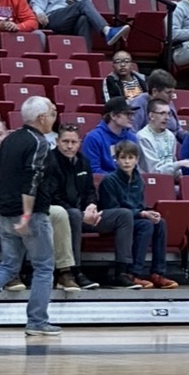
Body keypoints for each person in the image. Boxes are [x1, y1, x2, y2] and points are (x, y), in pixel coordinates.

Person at [0, 96, 61, 336]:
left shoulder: (9, 140)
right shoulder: (39, 143)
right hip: (31, 214)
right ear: (41, 118)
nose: (54, 117)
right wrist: (26, 214)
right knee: (44, 266)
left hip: (5, 212)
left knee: (8, 265)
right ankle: (37, 322)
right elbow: (33, 179)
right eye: (52, 113)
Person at [45, 123, 134, 290]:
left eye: (73, 142)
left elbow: (90, 191)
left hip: (85, 214)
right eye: (65, 141)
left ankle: (121, 272)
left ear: (79, 143)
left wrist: (92, 206)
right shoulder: (50, 161)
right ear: (57, 141)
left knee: (124, 215)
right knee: (73, 215)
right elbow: (53, 197)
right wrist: (81, 213)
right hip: (63, 217)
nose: (69, 146)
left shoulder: (83, 161)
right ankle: (74, 271)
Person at [98, 140, 179, 289]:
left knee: (160, 223)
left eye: (130, 158)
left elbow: (140, 205)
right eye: (123, 158)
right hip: (117, 221)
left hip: (135, 217)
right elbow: (112, 209)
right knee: (146, 225)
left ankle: (158, 273)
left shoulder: (139, 180)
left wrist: (148, 213)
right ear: (116, 160)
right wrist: (142, 214)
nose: (127, 162)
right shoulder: (109, 180)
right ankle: (133, 273)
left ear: (137, 160)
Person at [82, 96, 141, 175]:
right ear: (113, 115)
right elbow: (93, 171)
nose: (132, 118)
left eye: (132, 114)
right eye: (127, 114)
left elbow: (134, 168)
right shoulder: (93, 138)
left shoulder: (132, 138)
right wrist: (117, 180)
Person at [138, 97, 189, 178]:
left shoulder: (170, 136)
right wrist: (179, 164)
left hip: (170, 181)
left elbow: (172, 163)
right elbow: (154, 172)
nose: (167, 117)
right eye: (162, 113)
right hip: (151, 183)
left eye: (168, 113)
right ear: (151, 116)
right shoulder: (143, 137)